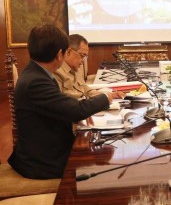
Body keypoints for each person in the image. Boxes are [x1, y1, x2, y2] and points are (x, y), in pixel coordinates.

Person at [8, 25, 113, 179]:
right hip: (43, 162)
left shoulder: (37, 73)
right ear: (60, 54)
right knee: (101, 166)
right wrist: (106, 97)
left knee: (100, 151)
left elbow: (63, 108)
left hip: (49, 149)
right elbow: (76, 110)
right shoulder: (36, 82)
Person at [54, 34, 124, 100]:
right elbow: (61, 103)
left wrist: (109, 95)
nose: (82, 61)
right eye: (82, 55)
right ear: (68, 52)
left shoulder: (74, 69)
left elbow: (86, 90)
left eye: (85, 57)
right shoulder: (57, 72)